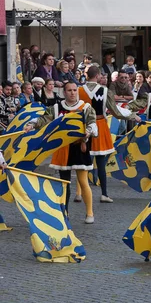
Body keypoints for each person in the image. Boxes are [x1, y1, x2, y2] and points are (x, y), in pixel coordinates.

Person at [25, 82, 97, 223]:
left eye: (74, 90)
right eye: (69, 90)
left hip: (80, 147)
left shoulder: (86, 107)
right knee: (64, 183)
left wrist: (88, 132)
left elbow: (92, 123)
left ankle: (90, 213)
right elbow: (44, 119)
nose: (72, 93)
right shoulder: (57, 108)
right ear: (64, 92)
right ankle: (64, 213)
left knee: (83, 181)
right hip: (63, 148)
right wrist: (32, 124)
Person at [79, 66, 138, 203]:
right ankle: (104, 194)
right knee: (100, 162)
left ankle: (79, 193)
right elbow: (115, 111)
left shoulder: (79, 90)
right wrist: (132, 115)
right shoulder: (104, 91)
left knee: (82, 161)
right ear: (98, 75)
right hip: (99, 126)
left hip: (82, 126)